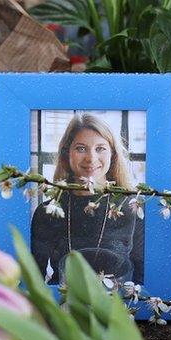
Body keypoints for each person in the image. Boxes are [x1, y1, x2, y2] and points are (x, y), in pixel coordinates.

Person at [31, 113, 145, 284]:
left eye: (100, 148)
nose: (91, 158)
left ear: (113, 154)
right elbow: (33, 281)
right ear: (66, 153)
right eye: (81, 148)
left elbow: (143, 278)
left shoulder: (133, 208)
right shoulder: (47, 212)